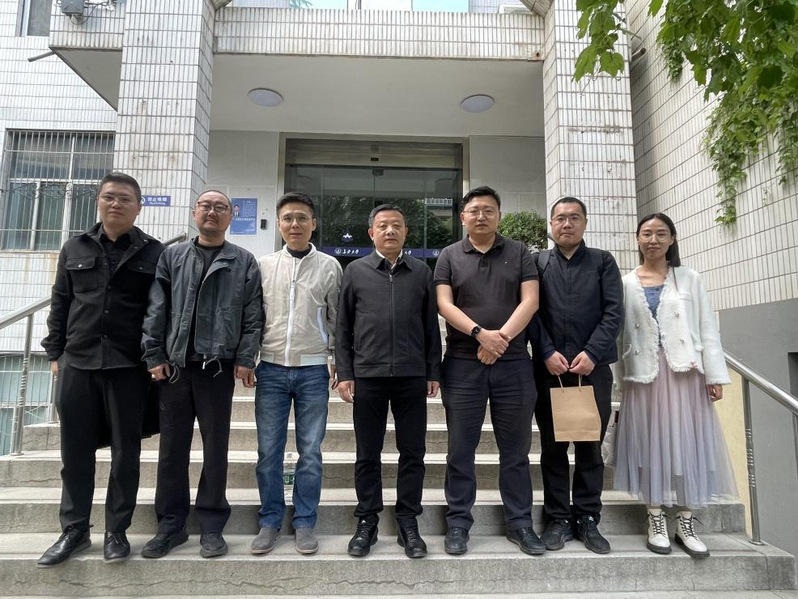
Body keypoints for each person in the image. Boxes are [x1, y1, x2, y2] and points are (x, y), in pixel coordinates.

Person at [39, 172, 165, 566]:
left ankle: (117, 531)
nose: (116, 204)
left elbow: (158, 311)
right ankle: (74, 530)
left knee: (126, 454)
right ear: (98, 201)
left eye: (125, 198)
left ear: (138, 206)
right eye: (109, 196)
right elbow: (60, 302)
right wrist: (55, 353)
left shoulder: (154, 252)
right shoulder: (74, 247)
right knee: (75, 453)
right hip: (78, 363)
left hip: (128, 366)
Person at [140, 190, 262, 559]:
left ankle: (212, 524)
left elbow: (253, 314)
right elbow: (156, 308)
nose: (212, 212)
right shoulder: (172, 256)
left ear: (231, 215)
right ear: (195, 213)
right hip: (175, 368)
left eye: (220, 207)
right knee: (171, 449)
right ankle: (170, 524)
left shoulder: (243, 261)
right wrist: (153, 354)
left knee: (216, 449)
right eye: (205, 206)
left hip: (217, 368)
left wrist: (246, 357)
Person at [613, 212, 736, 558]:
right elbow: (619, 336)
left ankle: (685, 520)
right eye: (646, 234)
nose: (653, 240)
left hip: (684, 374)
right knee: (649, 442)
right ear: (637, 239)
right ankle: (655, 517)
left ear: (672, 239)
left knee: (686, 443)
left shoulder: (689, 278)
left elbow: (707, 328)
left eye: (660, 233)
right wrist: (619, 380)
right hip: (643, 375)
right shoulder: (625, 283)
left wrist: (714, 375)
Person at [434, 186, 541, 556]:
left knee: (516, 451)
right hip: (463, 363)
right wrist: (481, 335)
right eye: (474, 210)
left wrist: (501, 340)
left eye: (489, 210)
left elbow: (531, 300)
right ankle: (458, 522)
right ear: (463, 217)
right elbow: (444, 304)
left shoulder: (520, 252)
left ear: (499, 216)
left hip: (513, 363)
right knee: (460, 450)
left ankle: (520, 523)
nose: (481, 216)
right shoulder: (449, 255)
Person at [336, 204, 441, 559]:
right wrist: (345, 373)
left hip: (412, 376)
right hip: (369, 376)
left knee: (413, 452)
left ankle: (408, 520)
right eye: (383, 226)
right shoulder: (356, 271)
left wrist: (433, 371)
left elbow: (430, 326)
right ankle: (367, 520)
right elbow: (343, 327)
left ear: (406, 232)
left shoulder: (421, 272)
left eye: (397, 225)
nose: (390, 231)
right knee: (368, 453)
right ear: (372, 233)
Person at [527, 196, 623, 555]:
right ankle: (557, 518)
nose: (566, 224)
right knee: (552, 448)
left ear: (584, 223)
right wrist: (546, 351)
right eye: (560, 218)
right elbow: (530, 311)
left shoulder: (602, 261)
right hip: (549, 370)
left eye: (574, 218)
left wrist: (593, 353)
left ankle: (587, 518)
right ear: (551, 224)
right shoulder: (538, 263)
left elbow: (614, 312)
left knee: (589, 448)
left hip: (592, 371)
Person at [251, 192, 342, 556]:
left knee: (310, 452)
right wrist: (249, 358)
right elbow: (253, 317)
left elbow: (336, 319)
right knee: (268, 452)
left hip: (313, 371)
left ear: (313, 224)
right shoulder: (263, 265)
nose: (295, 224)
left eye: (302, 218)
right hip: (271, 369)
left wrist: (337, 361)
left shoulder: (330, 267)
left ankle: (304, 521)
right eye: (288, 218)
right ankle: (270, 520)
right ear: (278, 224)